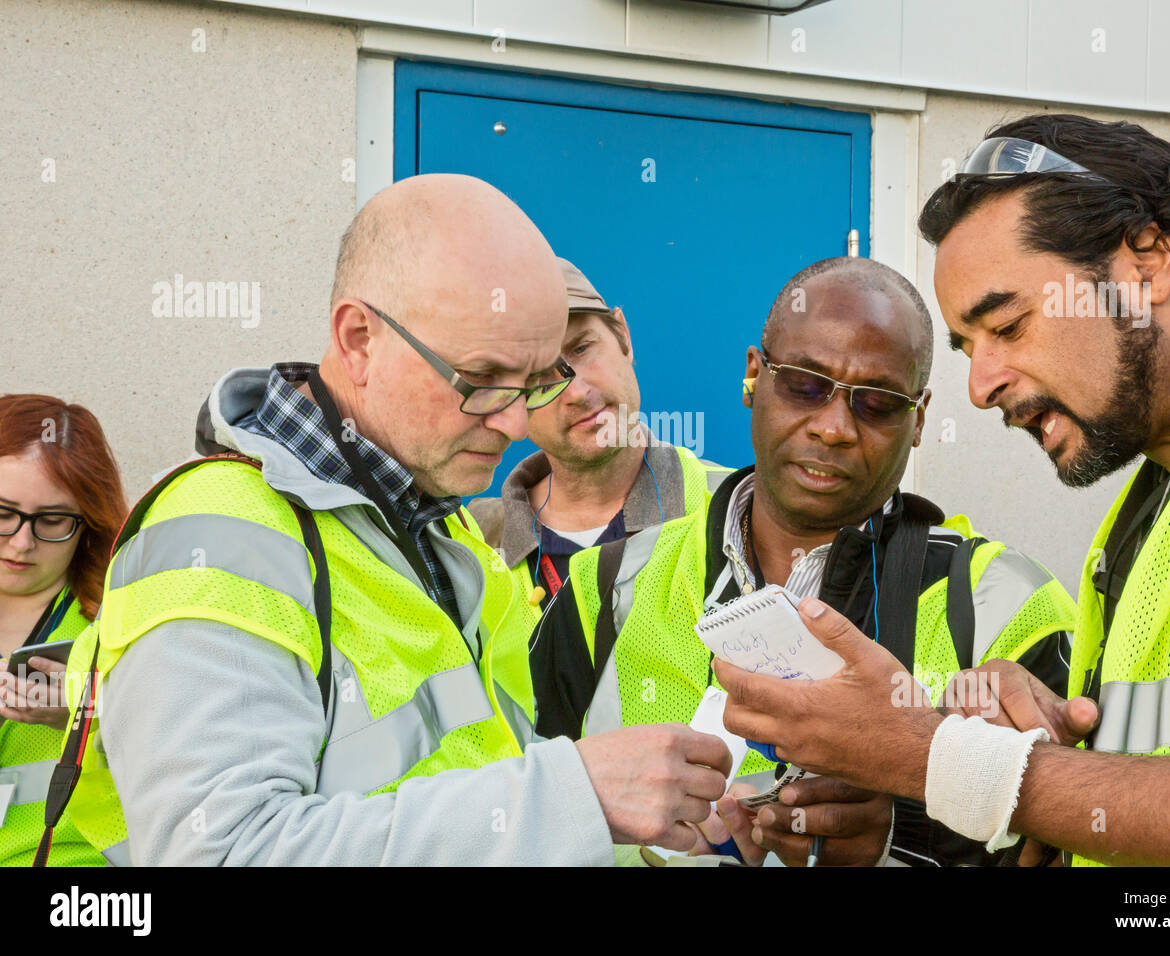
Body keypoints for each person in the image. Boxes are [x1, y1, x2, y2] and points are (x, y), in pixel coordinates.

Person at [52, 174, 731, 866]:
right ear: (358, 338)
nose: (518, 422)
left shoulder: (440, 529)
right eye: (483, 379)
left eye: (533, 383)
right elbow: (225, 854)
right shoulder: (222, 533)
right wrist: (573, 796)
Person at [713, 114, 1170, 866]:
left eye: (1010, 325)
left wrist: (942, 759)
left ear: (1145, 264)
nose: (981, 387)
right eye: (965, 347)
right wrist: (1055, 744)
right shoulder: (1159, 501)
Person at [534, 256, 1077, 866]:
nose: (834, 427)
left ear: (919, 419)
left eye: (877, 402)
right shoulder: (603, 589)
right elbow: (526, 820)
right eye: (805, 384)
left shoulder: (1001, 606)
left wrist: (897, 841)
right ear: (752, 377)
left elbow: (1069, 852)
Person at [469, 257, 729, 724]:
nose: (575, 390)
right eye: (536, 379)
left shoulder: (734, 512)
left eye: (583, 348)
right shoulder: (470, 548)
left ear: (623, 337)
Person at [0, 394, 126, 866]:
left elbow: (188, 753)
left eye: (51, 521)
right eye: (3, 512)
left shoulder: (115, 621)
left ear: (88, 523)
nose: (21, 542)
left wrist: (89, 721)